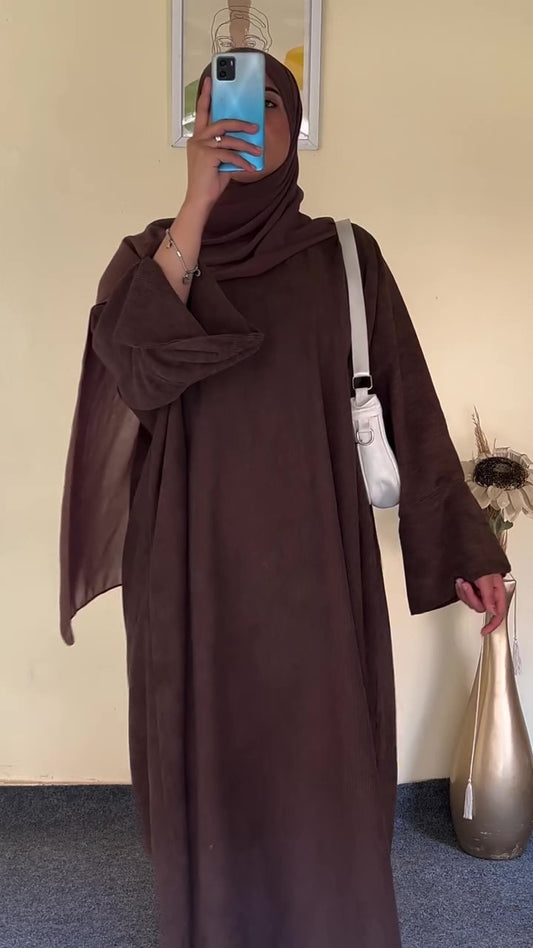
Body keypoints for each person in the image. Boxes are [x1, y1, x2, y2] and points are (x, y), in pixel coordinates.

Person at [60, 51, 510, 948]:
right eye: (219, 104)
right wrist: (196, 206)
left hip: (313, 563)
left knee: (320, 761)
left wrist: (466, 548)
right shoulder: (150, 256)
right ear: (195, 125)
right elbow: (139, 375)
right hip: (187, 563)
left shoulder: (344, 255)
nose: (243, 119)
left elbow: (409, 403)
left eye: (266, 103)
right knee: (207, 760)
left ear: (292, 125)